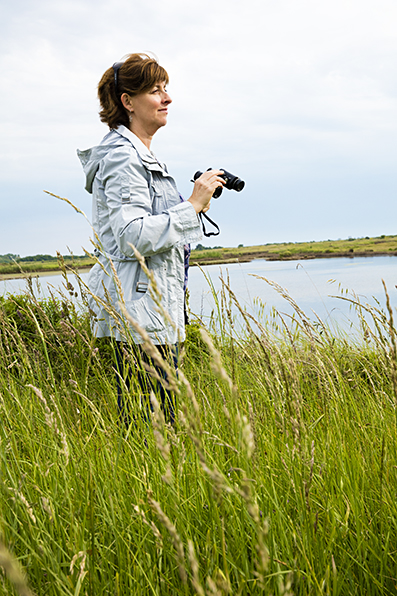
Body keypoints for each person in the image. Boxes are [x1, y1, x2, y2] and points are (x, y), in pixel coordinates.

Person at [77, 53, 224, 423]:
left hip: (153, 312)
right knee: (151, 430)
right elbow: (130, 236)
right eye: (155, 91)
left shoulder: (139, 154)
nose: (167, 98)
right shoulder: (123, 159)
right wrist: (191, 206)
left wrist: (197, 203)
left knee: (156, 426)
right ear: (127, 101)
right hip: (142, 318)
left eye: (166, 89)